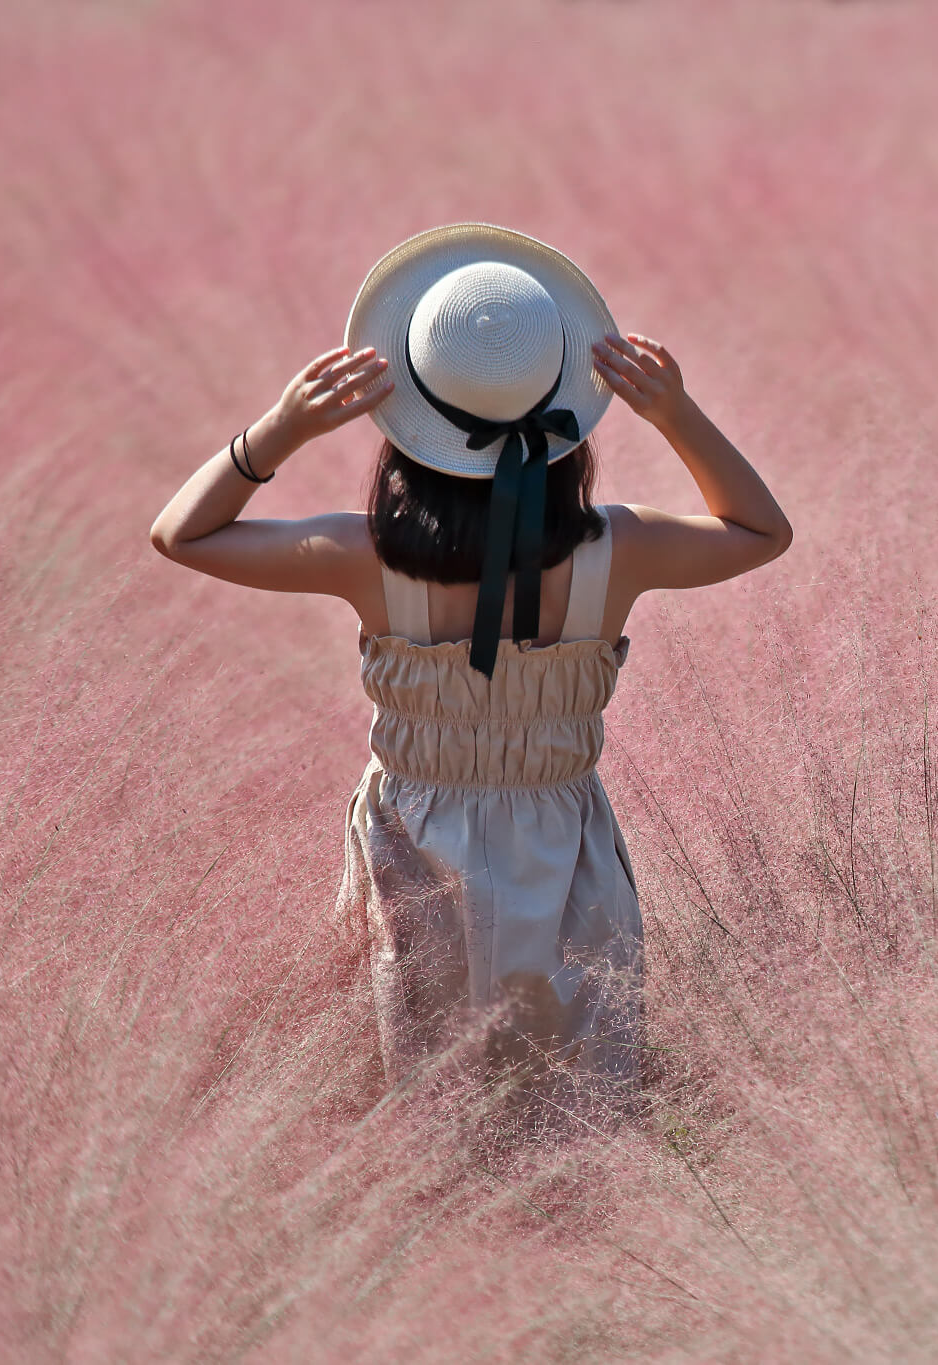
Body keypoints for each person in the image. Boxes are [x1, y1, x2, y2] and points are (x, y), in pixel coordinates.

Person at [148, 224, 793, 1135]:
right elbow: (762, 532)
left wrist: (280, 429)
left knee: (423, 1110)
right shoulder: (621, 548)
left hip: (415, 843)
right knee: (569, 1115)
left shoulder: (361, 555)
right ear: (566, 414)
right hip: (561, 850)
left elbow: (182, 533)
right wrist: (675, 412)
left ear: (404, 423)